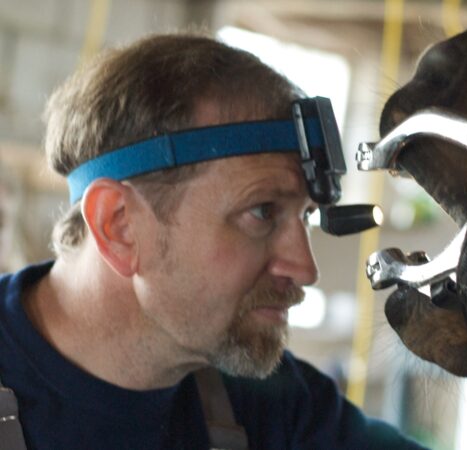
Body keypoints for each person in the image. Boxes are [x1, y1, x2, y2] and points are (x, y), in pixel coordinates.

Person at [0, 32, 426, 449]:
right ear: (119, 225)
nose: (305, 269)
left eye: (306, 216)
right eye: (261, 211)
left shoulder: (275, 407)